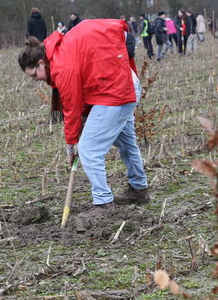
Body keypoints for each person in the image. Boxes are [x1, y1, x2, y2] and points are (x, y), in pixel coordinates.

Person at [18, 20, 149, 216]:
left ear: (40, 63)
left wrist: (71, 144)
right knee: (127, 143)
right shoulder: (58, 52)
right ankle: (139, 189)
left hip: (116, 88)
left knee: (89, 149)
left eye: (34, 75)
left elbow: (72, 107)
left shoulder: (61, 67)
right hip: (121, 81)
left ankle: (103, 203)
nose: (36, 80)